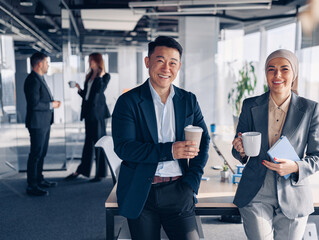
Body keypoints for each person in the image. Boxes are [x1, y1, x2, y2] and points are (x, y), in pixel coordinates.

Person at [112, 36, 210, 240]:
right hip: (142, 192)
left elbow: (205, 140)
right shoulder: (128, 101)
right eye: (160, 60)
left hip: (179, 190)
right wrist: (169, 151)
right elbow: (124, 148)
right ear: (148, 62)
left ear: (179, 66)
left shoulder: (188, 100)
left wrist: (192, 181)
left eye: (173, 62)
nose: (167, 68)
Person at [231, 49, 319, 240]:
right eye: (271, 69)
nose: (277, 75)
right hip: (256, 191)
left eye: (284, 69)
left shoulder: (310, 109)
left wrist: (295, 167)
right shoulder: (250, 105)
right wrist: (240, 149)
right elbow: (238, 151)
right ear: (266, 73)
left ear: (294, 74)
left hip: (293, 191)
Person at [66, 53, 110, 182]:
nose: (89, 63)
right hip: (89, 114)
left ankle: (101, 173)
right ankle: (83, 170)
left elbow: (99, 90)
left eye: (91, 60)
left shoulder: (105, 76)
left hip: (98, 115)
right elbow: (87, 96)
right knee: (88, 144)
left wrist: (100, 76)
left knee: (99, 143)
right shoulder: (89, 76)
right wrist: (79, 88)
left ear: (97, 61)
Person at [24, 52, 61, 196]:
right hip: (37, 123)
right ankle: (32, 185)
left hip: (44, 122)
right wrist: (51, 105)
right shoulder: (32, 80)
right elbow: (34, 104)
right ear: (39, 64)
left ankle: (39, 179)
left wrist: (51, 104)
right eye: (46, 63)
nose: (48, 65)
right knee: (35, 154)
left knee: (42, 153)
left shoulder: (39, 78)